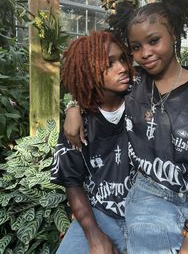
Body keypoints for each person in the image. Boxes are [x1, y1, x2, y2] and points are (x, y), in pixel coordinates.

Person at [64, 0, 188, 254]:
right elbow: (92, 80)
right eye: (135, 47)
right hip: (148, 201)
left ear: (175, 34)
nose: (144, 53)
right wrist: (73, 106)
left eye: (154, 40)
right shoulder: (133, 85)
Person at [51, 30, 135, 254]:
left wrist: (72, 105)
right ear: (88, 72)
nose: (123, 68)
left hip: (146, 211)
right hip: (100, 214)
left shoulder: (143, 101)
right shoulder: (78, 125)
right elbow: (72, 182)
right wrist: (94, 235)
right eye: (109, 64)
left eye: (123, 58)